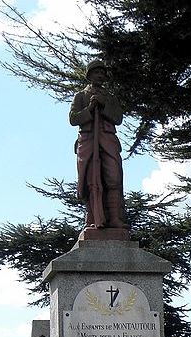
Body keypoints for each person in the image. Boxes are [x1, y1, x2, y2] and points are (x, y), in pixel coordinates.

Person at [69, 59, 126, 230]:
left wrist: (103, 105)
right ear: (89, 75)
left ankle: (115, 218)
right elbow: (73, 119)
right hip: (87, 139)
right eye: (96, 72)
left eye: (102, 73)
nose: (100, 75)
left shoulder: (110, 97)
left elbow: (118, 118)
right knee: (89, 179)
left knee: (113, 177)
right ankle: (91, 218)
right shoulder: (80, 96)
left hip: (107, 139)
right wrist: (89, 109)